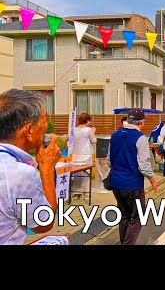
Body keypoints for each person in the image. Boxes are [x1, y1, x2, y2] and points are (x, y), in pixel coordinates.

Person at [0, 89, 61, 245]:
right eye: (44, 120)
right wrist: (46, 168)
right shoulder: (20, 173)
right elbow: (42, 223)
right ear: (29, 130)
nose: (47, 127)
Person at [108, 108, 158, 245]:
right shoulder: (140, 138)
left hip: (116, 183)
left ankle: (124, 241)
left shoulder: (115, 135)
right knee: (137, 217)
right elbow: (144, 164)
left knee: (124, 215)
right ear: (141, 122)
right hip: (132, 183)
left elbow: (109, 160)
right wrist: (152, 179)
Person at [71, 113, 97, 198]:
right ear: (87, 121)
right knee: (86, 174)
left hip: (75, 154)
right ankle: (85, 193)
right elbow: (94, 141)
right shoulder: (88, 130)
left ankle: (75, 191)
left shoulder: (73, 129)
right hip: (86, 154)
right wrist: (93, 132)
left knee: (76, 174)